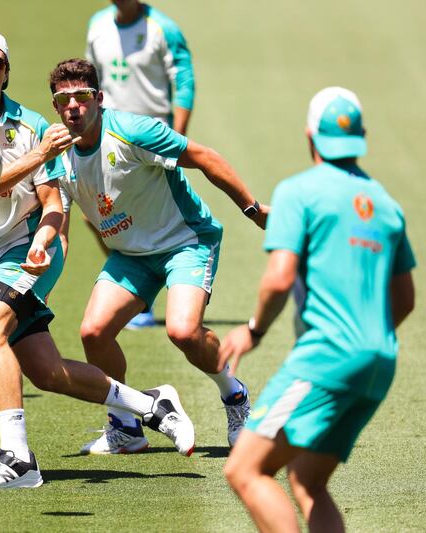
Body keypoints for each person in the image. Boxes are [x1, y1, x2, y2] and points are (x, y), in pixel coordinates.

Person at [0, 30, 196, 491]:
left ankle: (17, 459)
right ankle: (152, 406)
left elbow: (52, 203)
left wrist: (46, 239)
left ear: (6, 74)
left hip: (31, 249)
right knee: (47, 373)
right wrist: (38, 156)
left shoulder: (32, 124)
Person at [220, 87, 415, 532]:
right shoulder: (386, 205)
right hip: (379, 363)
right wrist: (365, 341)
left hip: (327, 357)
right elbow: (405, 300)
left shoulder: (299, 192)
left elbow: (279, 277)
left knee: (245, 469)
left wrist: (253, 330)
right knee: (307, 479)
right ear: (360, 138)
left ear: (311, 137)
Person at [49, 58, 267, 455]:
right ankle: (126, 427)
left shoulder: (133, 131)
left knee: (183, 331)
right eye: (63, 100)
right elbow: (60, 232)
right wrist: (41, 283)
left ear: (98, 99)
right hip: (131, 254)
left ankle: (234, 396)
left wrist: (252, 209)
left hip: (186, 240)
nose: (73, 107)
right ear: (56, 107)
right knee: (93, 333)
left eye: (82, 97)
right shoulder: (57, 156)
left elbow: (204, 157)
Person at [86, 0, 196, 329]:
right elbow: (91, 81)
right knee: (94, 215)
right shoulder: (97, 25)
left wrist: (176, 139)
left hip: (151, 142)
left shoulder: (164, 29)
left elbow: (185, 83)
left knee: (158, 218)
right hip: (109, 140)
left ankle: (181, 284)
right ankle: (140, 293)